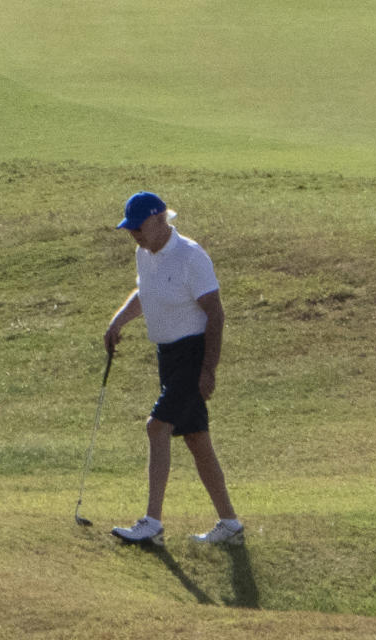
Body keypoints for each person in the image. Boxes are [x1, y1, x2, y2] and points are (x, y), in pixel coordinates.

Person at [104, 191, 244, 547]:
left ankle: (152, 523)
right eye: (129, 228)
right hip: (167, 356)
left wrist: (208, 370)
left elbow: (216, 312)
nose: (133, 234)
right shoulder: (144, 253)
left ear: (159, 220)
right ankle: (230, 523)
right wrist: (118, 322)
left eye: (138, 227)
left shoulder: (190, 256)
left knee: (156, 426)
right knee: (196, 439)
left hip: (192, 356)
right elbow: (145, 293)